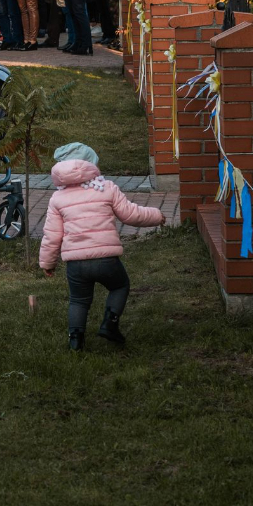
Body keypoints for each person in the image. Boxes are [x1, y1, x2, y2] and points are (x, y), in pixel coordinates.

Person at [38, 142, 165, 351]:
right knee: (120, 286)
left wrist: (47, 263)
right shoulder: (105, 187)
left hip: (76, 264)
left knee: (78, 300)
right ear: (91, 164)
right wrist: (157, 215)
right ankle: (109, 324)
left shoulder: (57, 198)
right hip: (106, 260)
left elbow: (52, 235)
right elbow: (131, 214)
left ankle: (75, 340)